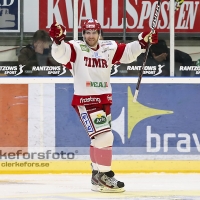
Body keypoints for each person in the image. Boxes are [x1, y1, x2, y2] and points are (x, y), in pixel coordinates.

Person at [49, 19, 158, 193]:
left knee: (98, 140)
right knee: (106, 137)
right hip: (86, 100)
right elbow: (60, 55)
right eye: (87, 32)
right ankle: (105, 175)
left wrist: (143, 41)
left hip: (104, 100)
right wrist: (58, 41)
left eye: (94, 32)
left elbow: (128, 53)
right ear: (83, 34)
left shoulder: (109, 47)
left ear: (99, 33)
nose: (90, 36)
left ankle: (96, 176)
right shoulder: (76, 48)